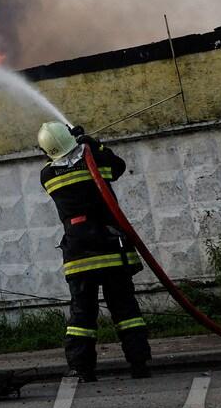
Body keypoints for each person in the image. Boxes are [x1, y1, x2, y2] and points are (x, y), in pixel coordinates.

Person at [37, 121, 151, 381]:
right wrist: (92, 142)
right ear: (71, 139)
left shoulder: (47, 176)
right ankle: (139, 364)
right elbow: (118, 166)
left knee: (81, 314)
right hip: (110, 246)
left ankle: (82, 369)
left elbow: (62, 161)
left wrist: (80, 145)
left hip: (78, 255)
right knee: (125, 310)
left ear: (47, 150)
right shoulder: (95, 161)